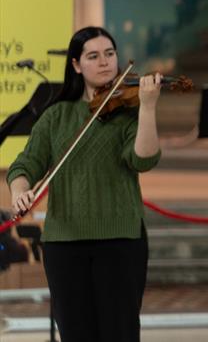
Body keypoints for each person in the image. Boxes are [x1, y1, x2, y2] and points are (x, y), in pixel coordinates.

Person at [6, 26, 162, 341]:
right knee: (76, 334)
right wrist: (20, 190)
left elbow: (143, 159)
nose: (105, 62)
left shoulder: (130, 111)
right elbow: (25, 164)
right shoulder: (56, 116)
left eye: (110, 54)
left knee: (120, 333)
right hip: (64, 242)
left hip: (120, 239)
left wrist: (147, 107)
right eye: (93, 56)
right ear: (76, 65)